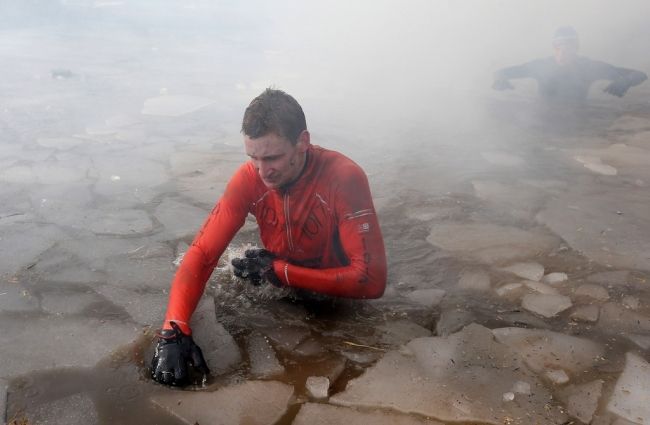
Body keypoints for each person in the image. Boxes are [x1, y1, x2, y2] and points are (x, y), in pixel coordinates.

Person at [150, 88, 387, 386]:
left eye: (273, 157)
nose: (263, 172)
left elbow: (371, 279)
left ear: (303, 141)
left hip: (335, 295)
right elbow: (202, 253)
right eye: (254, 158)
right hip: (280, 282)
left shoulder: (342, 176)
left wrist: (281, 272)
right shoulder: (248, 178)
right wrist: (174, 328)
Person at [492, 26, 647, 103]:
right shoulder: (541, 67)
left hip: (579, 117)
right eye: (559, 47)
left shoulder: (588, 68)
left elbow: (640, 75)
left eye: (569, 46)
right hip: (542, 118)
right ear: (554, 47)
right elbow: (501, 72)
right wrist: (500, 78)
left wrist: (625, 81)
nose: (564, 51)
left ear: (576, 48)